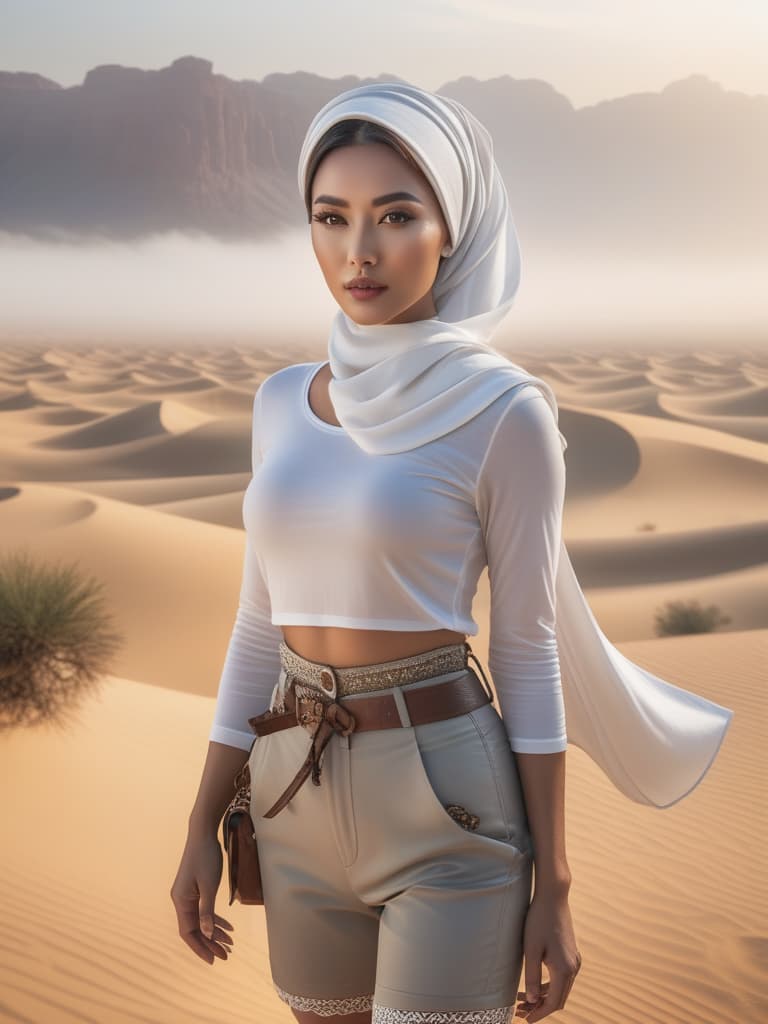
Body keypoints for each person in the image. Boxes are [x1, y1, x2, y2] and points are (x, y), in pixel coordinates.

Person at [171, 83, 733, 1024]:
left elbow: (527, 648)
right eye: (331, 217)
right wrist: (198, 822)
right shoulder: (277, 402)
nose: (360, 251)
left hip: (448, 797)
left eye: (396, 215)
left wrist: (556, 883)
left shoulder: (504, 410)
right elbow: (256, 627)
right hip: (289, 795)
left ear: (453, 228)